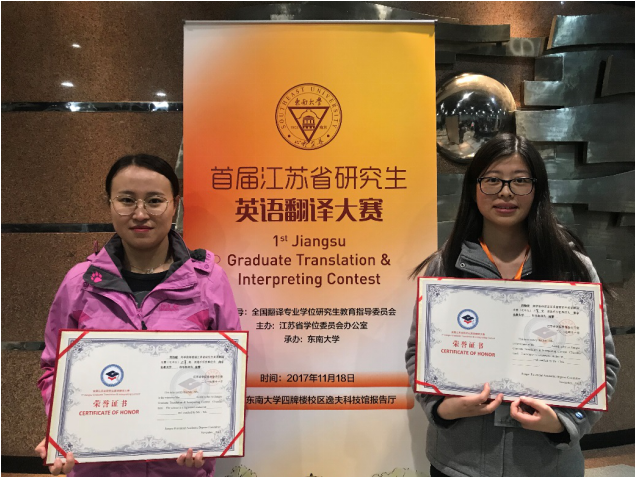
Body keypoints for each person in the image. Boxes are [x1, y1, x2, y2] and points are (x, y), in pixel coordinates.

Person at [405, 133, 620, 477]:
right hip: (459, 464)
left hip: (547, 466)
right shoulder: (445, 266)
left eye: (520, 181)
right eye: (492, 180)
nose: (505, 192)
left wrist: (564, 423)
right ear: (473, 188)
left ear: (537, 189)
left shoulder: (572, 268)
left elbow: (602, 367)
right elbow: (418, 354)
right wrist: (444, 410)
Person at [35, 154, 241, 476]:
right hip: (98, 469)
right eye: (127, 200)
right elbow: (53, 370)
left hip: (180, 469)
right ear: (110, 204)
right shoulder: (80, 283)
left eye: (155, 201)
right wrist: (62, 430)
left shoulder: (208, 282)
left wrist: (209, 433)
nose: (140, 214)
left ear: (175, 204)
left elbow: (229, 372)